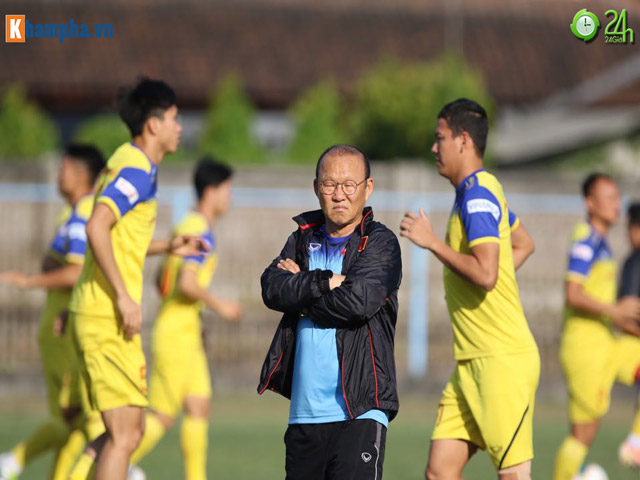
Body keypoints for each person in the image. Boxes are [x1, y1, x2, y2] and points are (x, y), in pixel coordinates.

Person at [66, 78, 206, 480]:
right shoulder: (138, 168)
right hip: (105, 315)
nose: (181, 127)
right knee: (124, 436)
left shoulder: (132, 163)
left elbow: (119, 240)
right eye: (176, 118)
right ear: (153, 124)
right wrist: (126, 298)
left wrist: (168, 246)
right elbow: (97, 228)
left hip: (101, 312)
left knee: (128, 431)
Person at [400, 98, 539, 480]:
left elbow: (486, 273)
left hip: (500, 361)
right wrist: (495, 273)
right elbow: (522, 244)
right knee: (440, 472)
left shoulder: (477, 196)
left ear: (463, 140)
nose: (434, 147)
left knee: (513, 476)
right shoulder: (478, 191)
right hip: (471, 363)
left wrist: (432, 243)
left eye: (439, 137)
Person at [258, 144, 402, 479]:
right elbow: (272, 287)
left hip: (360, 412)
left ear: (368, 188)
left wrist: (303, 295)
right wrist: (326, 282)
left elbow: (358, 303)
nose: (339, 194)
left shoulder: (379, 243)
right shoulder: (301, 239)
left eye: (349, 185)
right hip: (304, 416)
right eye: (329, 185)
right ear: (316, 188)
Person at [127, 157, 242, 480]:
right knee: (163, 416)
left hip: (186, 331)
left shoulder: (186, 225)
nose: (230, 197)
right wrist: (221, 306)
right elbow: (186, 283)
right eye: (227, 189)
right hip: (176, 334)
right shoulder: (199, 231)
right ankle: (107, 466)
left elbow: (160, 281)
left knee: (198, 406)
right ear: (211, 191)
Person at [0, 145, 105, 480]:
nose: (58, 175)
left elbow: (74, 271)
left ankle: (14, 461)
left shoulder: (86, 210)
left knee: (85, 418)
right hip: (61, 327)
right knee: (73, 418)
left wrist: (30, 281)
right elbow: (54, 260)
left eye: (64, 168)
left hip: (70, 327)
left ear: (81, 174)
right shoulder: (72, 212)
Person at [553, 177, 640, 480]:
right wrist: (615, 311)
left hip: (604, 342)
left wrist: (623, 321)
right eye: (610, 197)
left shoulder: (602, 244)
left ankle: (636, 441)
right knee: (583, 434)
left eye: (617, 197)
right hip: (586, 350)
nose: (617, 204)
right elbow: (573, 294)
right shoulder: (586, 240)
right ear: (591, 203)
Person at [618, 201, 640, 467]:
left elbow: (624, 309)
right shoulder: (633, 262)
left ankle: (636, 440)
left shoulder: (634, 261)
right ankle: (635, 440)